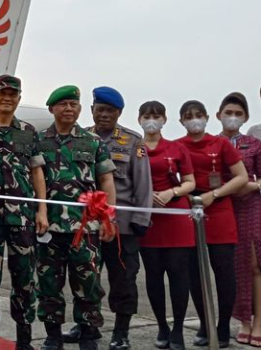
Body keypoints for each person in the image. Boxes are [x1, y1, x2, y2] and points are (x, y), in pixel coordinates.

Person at [63, 87, 152, 350]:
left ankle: (121, 332)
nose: (104, 115)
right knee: (85, 277)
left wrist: (140, 219)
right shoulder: (80, 137)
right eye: (100, 109)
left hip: (121, 226)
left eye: (110, 111)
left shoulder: (132, 142)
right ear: (91, 110)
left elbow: (143, 184)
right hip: (86, 225)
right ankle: (86, 325)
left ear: (119, 113)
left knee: (123, 280)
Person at [36, 85, 117, 350]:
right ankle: (53, 335)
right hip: (49, 227)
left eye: (73, 104)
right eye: (63, 104)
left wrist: (109, 218)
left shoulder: (92, 141)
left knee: (88, 282)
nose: (69, 109)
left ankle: (88, 333)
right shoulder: (39, 140)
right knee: (48, 283)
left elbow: (106, 179)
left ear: (80, 109)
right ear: (52, 108)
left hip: (85, 226)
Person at [0, 75, 48, 350]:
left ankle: (24, 340)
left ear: (19, 98)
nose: (7, 98)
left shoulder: (28, 132)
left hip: (22, 217)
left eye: (12, 94)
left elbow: (37, 172)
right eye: (2, 93)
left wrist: (42, 210)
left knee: (24, 279)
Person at [176, 100, 248, 347]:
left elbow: (241, 177)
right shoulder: (177, 146)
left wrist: (213, 195)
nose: (194, 120)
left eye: (198, 115)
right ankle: (205, 324)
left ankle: (223, 325)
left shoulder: (221, 144)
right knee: (194, 271)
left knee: (224, 270)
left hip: (219, 207)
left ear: (207, 117)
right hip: (190, 210)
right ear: (181, 121)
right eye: (188, 116)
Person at [137, 101, 196, 350]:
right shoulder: (134, 147)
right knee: (153, 275)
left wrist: (173, 192)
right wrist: (145, 194)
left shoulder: (176, 148)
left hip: (175, 215)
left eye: (156, 116)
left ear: (164, 119)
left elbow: (190, 182)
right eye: (147, 116)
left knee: (179, 274)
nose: (152, 120)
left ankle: (178, 328)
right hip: (147, 218)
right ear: (139, 120)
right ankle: (162, 325)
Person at [216, 92, 261, 345]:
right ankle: (243, 320)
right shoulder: (211, 143)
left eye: (238, 114)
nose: (232, 117)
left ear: (246, 117)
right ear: (218, 115)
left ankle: (258, 322)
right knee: (234, 267)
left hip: (249, 206)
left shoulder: (254, 143)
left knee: (254, 264)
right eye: (228, 113)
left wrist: (251, 185)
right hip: (221, 207)